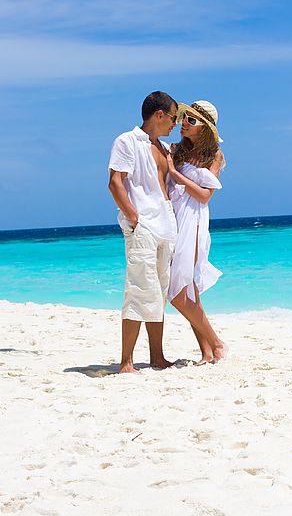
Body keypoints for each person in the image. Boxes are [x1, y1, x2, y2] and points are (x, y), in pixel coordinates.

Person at [108, 91, 179, 374]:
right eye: (173, 118)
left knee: (159, 292)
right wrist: (134, 218)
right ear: (159, 115)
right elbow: (115, 183)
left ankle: (157, 356)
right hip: (144, 225)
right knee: (138, 289)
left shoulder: (163, 149)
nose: (175, 124)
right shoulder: (127, 141)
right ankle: (126, 361)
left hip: (166, 224)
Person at [166, 100, 227, 364]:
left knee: (179, 294)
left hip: (194, 221)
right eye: (183, 118)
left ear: (204, 129)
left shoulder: (214, 157)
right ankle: (206, 352)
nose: (183, 124)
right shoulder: (176, 150)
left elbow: (204, 196)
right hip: (173, 219)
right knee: (189, 291)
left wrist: (173, 173)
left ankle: (217, 343)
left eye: (191, 121)